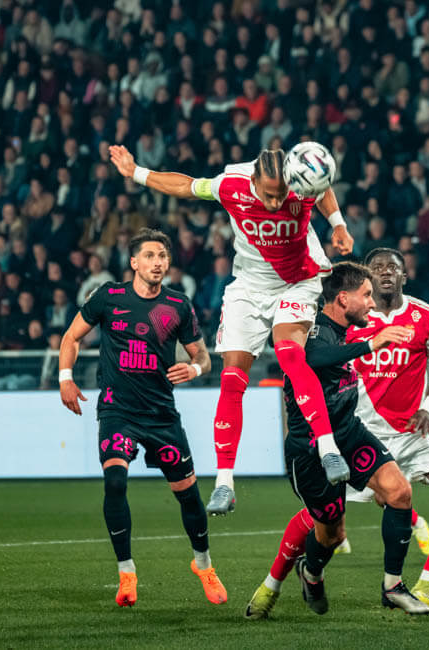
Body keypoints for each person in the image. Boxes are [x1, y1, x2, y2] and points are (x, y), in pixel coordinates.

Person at [108, 144, 355, 515]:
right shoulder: (230, 185)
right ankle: (225, 483)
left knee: (290, 356)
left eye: (280, 195)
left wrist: (339, 225)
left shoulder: (297, 184)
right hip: (250, 286)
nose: (276, 203)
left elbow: (322, 190)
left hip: (298, 281)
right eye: (269, 195)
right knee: (232, 378)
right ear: (254, 181)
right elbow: (186, 186)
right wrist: (136, 173)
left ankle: (328, 449)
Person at [246, 248, 429, 618]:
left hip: (359, 433)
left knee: (402, 491)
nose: (371, 301)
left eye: (389, 270)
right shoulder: (312, 327)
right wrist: (372, 342)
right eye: (366, 292)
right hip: (314, 446)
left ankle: (396, 586)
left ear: (404, 275)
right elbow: (310, 358)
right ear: (344, 298)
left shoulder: (413, 318)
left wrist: (426, 406)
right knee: (330, 531)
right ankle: (286, 579)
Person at [56, 228, 224, 608]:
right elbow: (71, 337)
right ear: (134, 262)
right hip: (118, 410)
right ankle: (127, 572)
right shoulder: (108, 297)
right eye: (149, 256)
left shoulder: (178, 305)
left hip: (161, 415)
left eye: (162, 256)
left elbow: (203, 357)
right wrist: (65, 378)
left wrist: (194, 369)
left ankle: (203, 564)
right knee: (115, 482)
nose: (157, 263)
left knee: (188, 496)